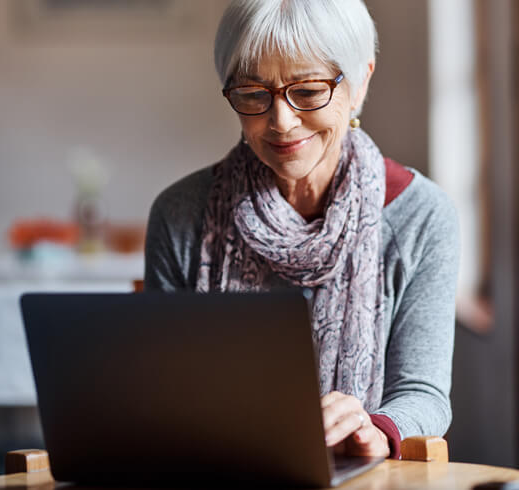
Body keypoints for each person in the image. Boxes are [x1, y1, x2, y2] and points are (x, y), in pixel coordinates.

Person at [145, 0, 459, 459]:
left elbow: (423, 391)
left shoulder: (421, 215)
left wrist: (376, 429)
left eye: (308, 92)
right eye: (253, 94)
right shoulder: (180, 214)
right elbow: (162, 386)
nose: (281, 122)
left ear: (359, 83)